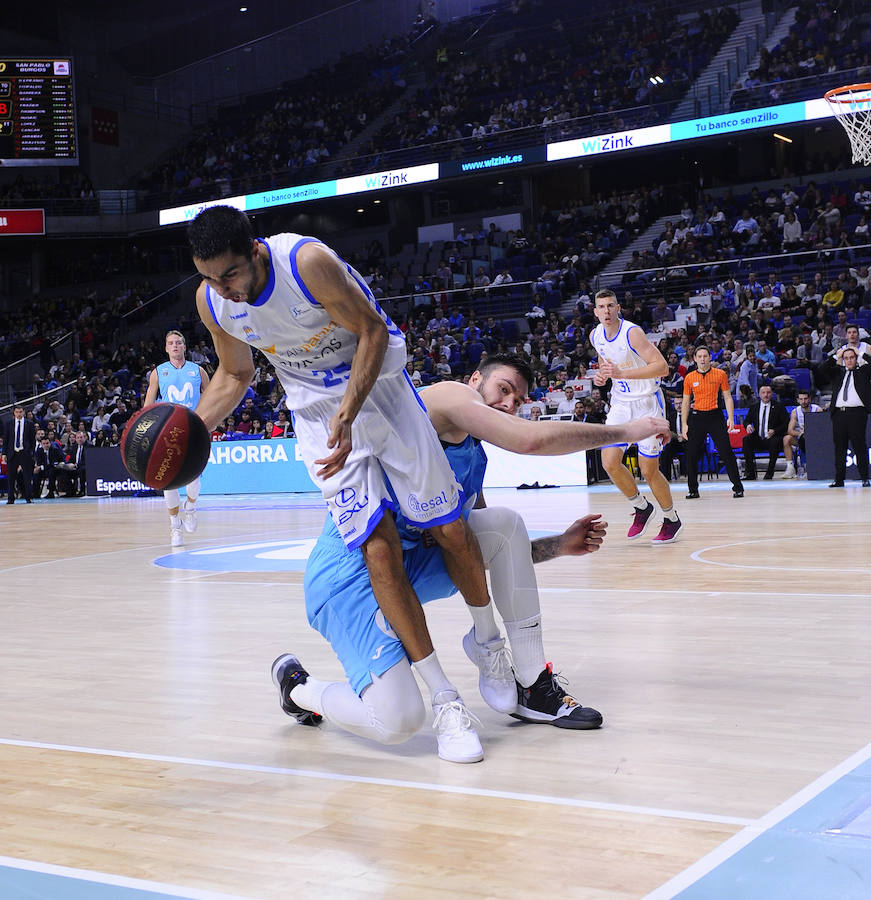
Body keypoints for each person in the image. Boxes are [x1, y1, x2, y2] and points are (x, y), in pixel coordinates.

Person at [187, 205, 503, 761]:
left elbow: (373, 331)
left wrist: (352, 408)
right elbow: (236, 374)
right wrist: (186, 432)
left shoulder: (306, 262)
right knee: (377, 548)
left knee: (449, 528)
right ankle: (446, 700)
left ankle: (489, 643)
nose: (223, 289)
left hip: (380, 391)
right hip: (319, 419)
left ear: (255, 250)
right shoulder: (213, 300)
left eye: (230, 274)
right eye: (210, 277)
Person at [274, 354, 670, 759]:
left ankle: (533, 686)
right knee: (398, 720)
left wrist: (558, 546)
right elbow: (527, 439)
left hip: (408, 569)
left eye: (518, 401)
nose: (509, 404)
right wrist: (626, 431)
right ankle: (301, 689)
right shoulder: (445, 398)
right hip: (348, 580)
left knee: (504, 524)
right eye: (504, 389)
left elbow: (479, 553)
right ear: (476, 379)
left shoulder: (473, 457)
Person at [590, 289, 682, 544]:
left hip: (647, 403)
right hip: (621, 404)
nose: (606, 311)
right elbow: (605, 364)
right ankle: (642, 507)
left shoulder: (632, 333)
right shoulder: (595, 335)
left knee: (648, 470)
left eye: (610, 305)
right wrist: (603, 376)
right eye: (601, 307)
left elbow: (662, 367)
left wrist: (622, 374)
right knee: (609, 462)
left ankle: (671, 518)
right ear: (595, 311)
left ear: (618, 308)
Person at [144, 330, 211, 546]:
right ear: (166, 348)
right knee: (168, 481)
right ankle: (175, 525)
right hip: (167, 432)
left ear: (184, 346)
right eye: (171, 343)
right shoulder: (158, 372)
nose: (175, 346)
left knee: (194, 477)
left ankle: (190, 508)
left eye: (179, 342)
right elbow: (148, 406)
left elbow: (211, 399)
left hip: (193, 429)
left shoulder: (198, 371)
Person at [681, 345, 744, 499]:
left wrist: (730, 417)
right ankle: (693, 490)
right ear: (695, 359)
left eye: (705, 356)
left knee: (726, 452)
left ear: (710, 357)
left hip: (715, 416)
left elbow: (728, 397)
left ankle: (738, 487)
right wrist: (684, 424)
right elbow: (685, 401)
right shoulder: (689, 377)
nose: (702, 359)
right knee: (691, 454)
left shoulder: (720, 374)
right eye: (699, 356)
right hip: (697, 417)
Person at [823, 347, 871, 487]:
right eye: (846, 358)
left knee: (859, 446)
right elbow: (822, 369)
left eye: (852, 357)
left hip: (857, 413)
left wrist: (860, 353)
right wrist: (835, 357)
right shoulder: (838, 372)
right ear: (843, 360)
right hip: (839, 414)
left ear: (856, 359)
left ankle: (864, 478)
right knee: (840, 448)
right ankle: (839, 480)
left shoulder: (863, 372)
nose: (849, 360)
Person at [782, 390, 821, 479]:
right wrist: (801, 433)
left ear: (810, 399)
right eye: (801, 399)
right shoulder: (795, 412)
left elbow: (822, 428)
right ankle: (790, 468)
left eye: (805, 399)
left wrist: (810, 432)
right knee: (786, 439)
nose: (803, 401)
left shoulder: (817, 409)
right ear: (798, 400)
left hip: (816, 438)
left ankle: (810, 466)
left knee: (806, 438)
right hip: (801, 438)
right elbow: (790, 430)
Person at [3, 406, 36, 504]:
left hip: (24, 452)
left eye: (20, 412)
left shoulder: (29, 424)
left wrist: (31, 452)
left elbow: (32, 440)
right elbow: (6, 440)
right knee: (11, 477)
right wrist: (4, 453)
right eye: (17, 412)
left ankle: (28, 497)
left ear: (24, 412)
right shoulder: (9, 423)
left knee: (27, 476)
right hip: (12, 452)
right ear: (14, 413)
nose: (19, 414)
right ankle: (10, 498)